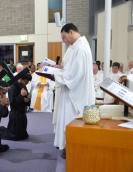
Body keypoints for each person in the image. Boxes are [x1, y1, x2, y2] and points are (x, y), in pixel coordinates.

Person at [53, 23, 95, 159]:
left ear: (71, 32)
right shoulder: (77, 46)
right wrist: (60, 70)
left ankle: (72, 147)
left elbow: (74, 75)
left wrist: (55, 74)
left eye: (64, 37)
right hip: (73, 89)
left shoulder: (80, 48)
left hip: (75, 93)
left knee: (71, 119)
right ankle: (69, 146)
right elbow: (72, 70)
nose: (64, 41)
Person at [0, 74, 32, 141]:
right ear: (20, 79)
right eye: (25, 81)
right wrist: (21, 95)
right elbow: (12, 102)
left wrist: (27, 100)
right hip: (15, 114)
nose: (26, 83)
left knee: (24, 135)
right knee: (14, 136)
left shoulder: (23, 86)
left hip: (22, 112)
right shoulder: (12, 86)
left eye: (27, 82)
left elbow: (26, 96)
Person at [52, 40, 72, 130]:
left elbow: (71, 70)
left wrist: (60, 68)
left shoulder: (76, 50)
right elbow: (65, 66)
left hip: (66, 84)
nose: (64, 41)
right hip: (61, 81)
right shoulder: (69, 49)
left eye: (64, 37)